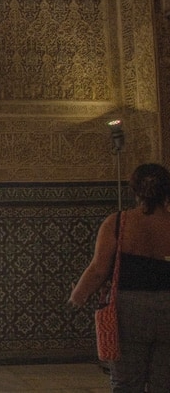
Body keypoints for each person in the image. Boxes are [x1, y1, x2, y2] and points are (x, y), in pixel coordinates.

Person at [69, 163, 170, 392]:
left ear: (134, 190)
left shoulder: (118, 223)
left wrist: (77, 295)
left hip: (129, 311)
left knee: (126, 383)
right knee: (164, 382)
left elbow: (98, 269)